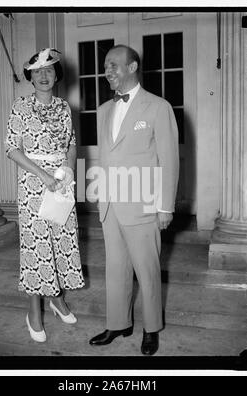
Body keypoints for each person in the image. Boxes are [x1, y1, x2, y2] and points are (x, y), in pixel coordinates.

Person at [89, 45, 179, 355]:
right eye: (105, 66)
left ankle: (151, 328)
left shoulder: (158, 107)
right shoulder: (103, 110)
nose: (107, 70)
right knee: (116, 267)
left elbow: (169, 159)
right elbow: (105, 158)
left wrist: (165, 206)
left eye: (114, 64)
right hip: (111, 204)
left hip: (142, 202)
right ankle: (118, 323)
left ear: (132, 67)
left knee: (147, 269)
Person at [6, 48, 85, 343]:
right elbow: (12, 148)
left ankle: (57, 299)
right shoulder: (20, 106)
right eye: (37, 71)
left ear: (56, 75)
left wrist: (67, 171)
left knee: (62, 242)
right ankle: (34, 312)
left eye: (49, 70)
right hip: (33, 184)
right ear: (30, 76)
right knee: (38, 247)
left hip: (61, 183)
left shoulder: (64, 107)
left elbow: (72, 144)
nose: (43, 75)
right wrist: (44, 176)